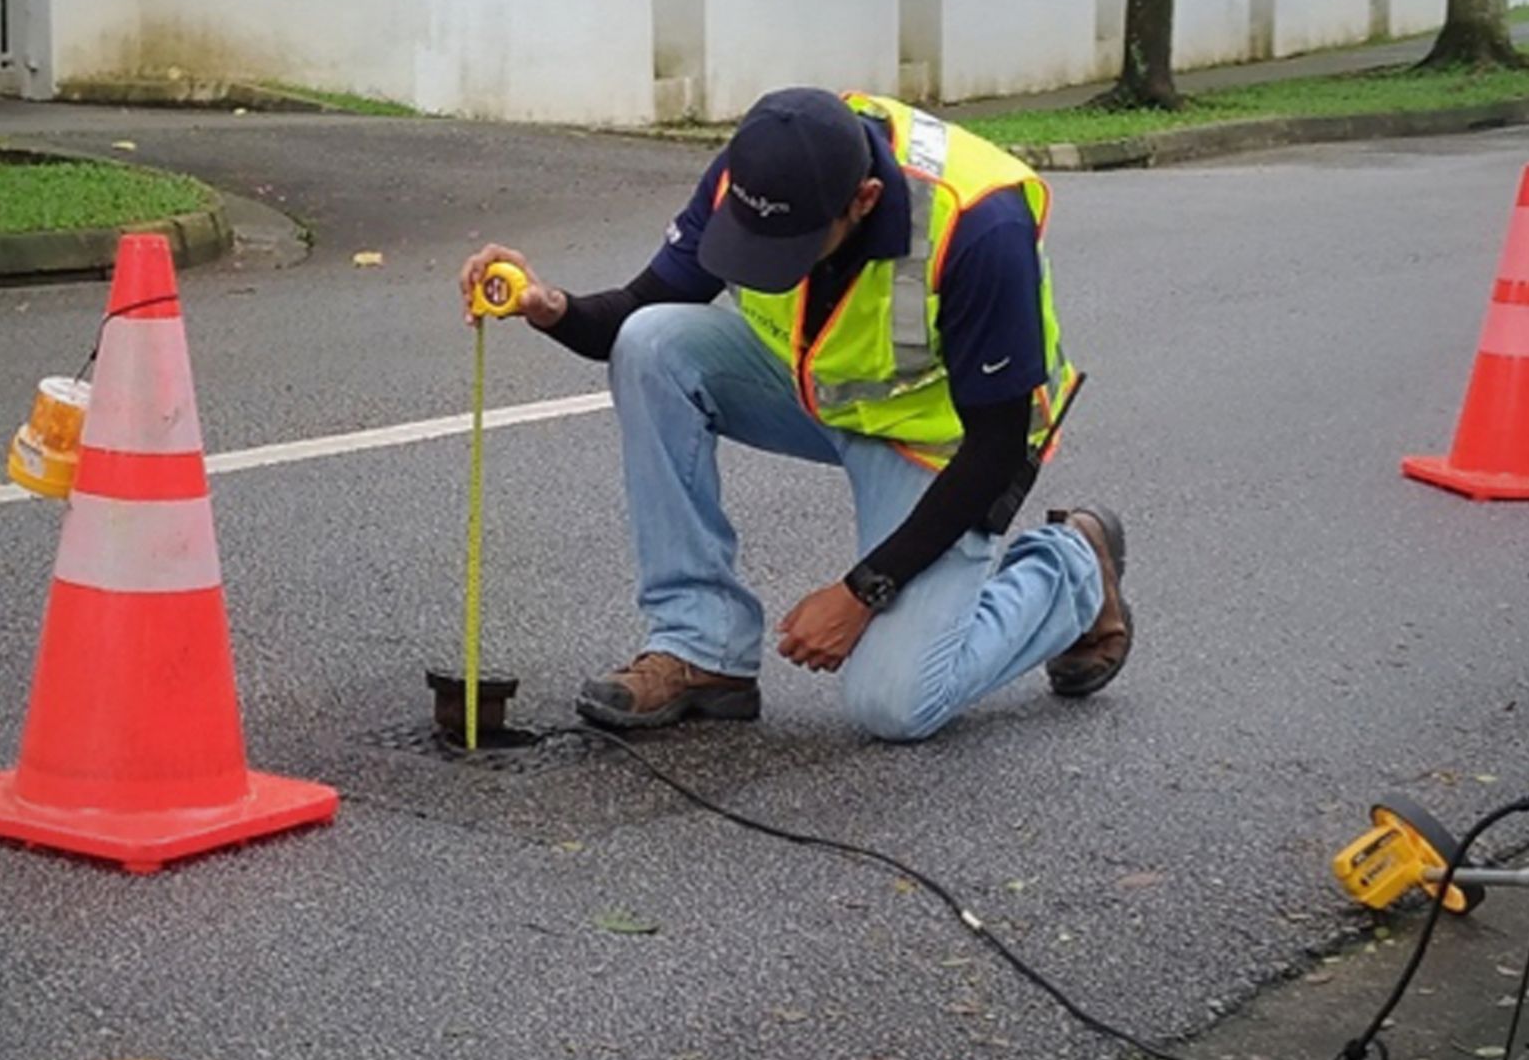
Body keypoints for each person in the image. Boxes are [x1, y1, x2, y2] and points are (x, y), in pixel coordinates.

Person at [455, 87, 1130, 743]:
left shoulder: (979, 225)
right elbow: (639, 308)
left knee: (895, 704)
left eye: (789, 247)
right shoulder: (758, 170)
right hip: (820, 394)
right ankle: (702, 647)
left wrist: (862, 591)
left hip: (942, 442)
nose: (764, 263)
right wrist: (551, 307)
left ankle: (1071, 567)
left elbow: (996, 449)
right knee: (650, 345)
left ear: (863, 201)